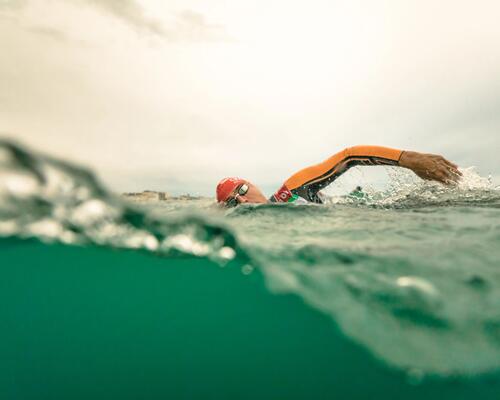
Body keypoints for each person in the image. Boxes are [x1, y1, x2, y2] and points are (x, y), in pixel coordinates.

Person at [216, 145, 462, 207]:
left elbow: (349, 156)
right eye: (232, 201)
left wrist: (409, 159)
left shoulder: (291, 191)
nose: (243, 200)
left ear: (253, 184)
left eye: (243, 190)